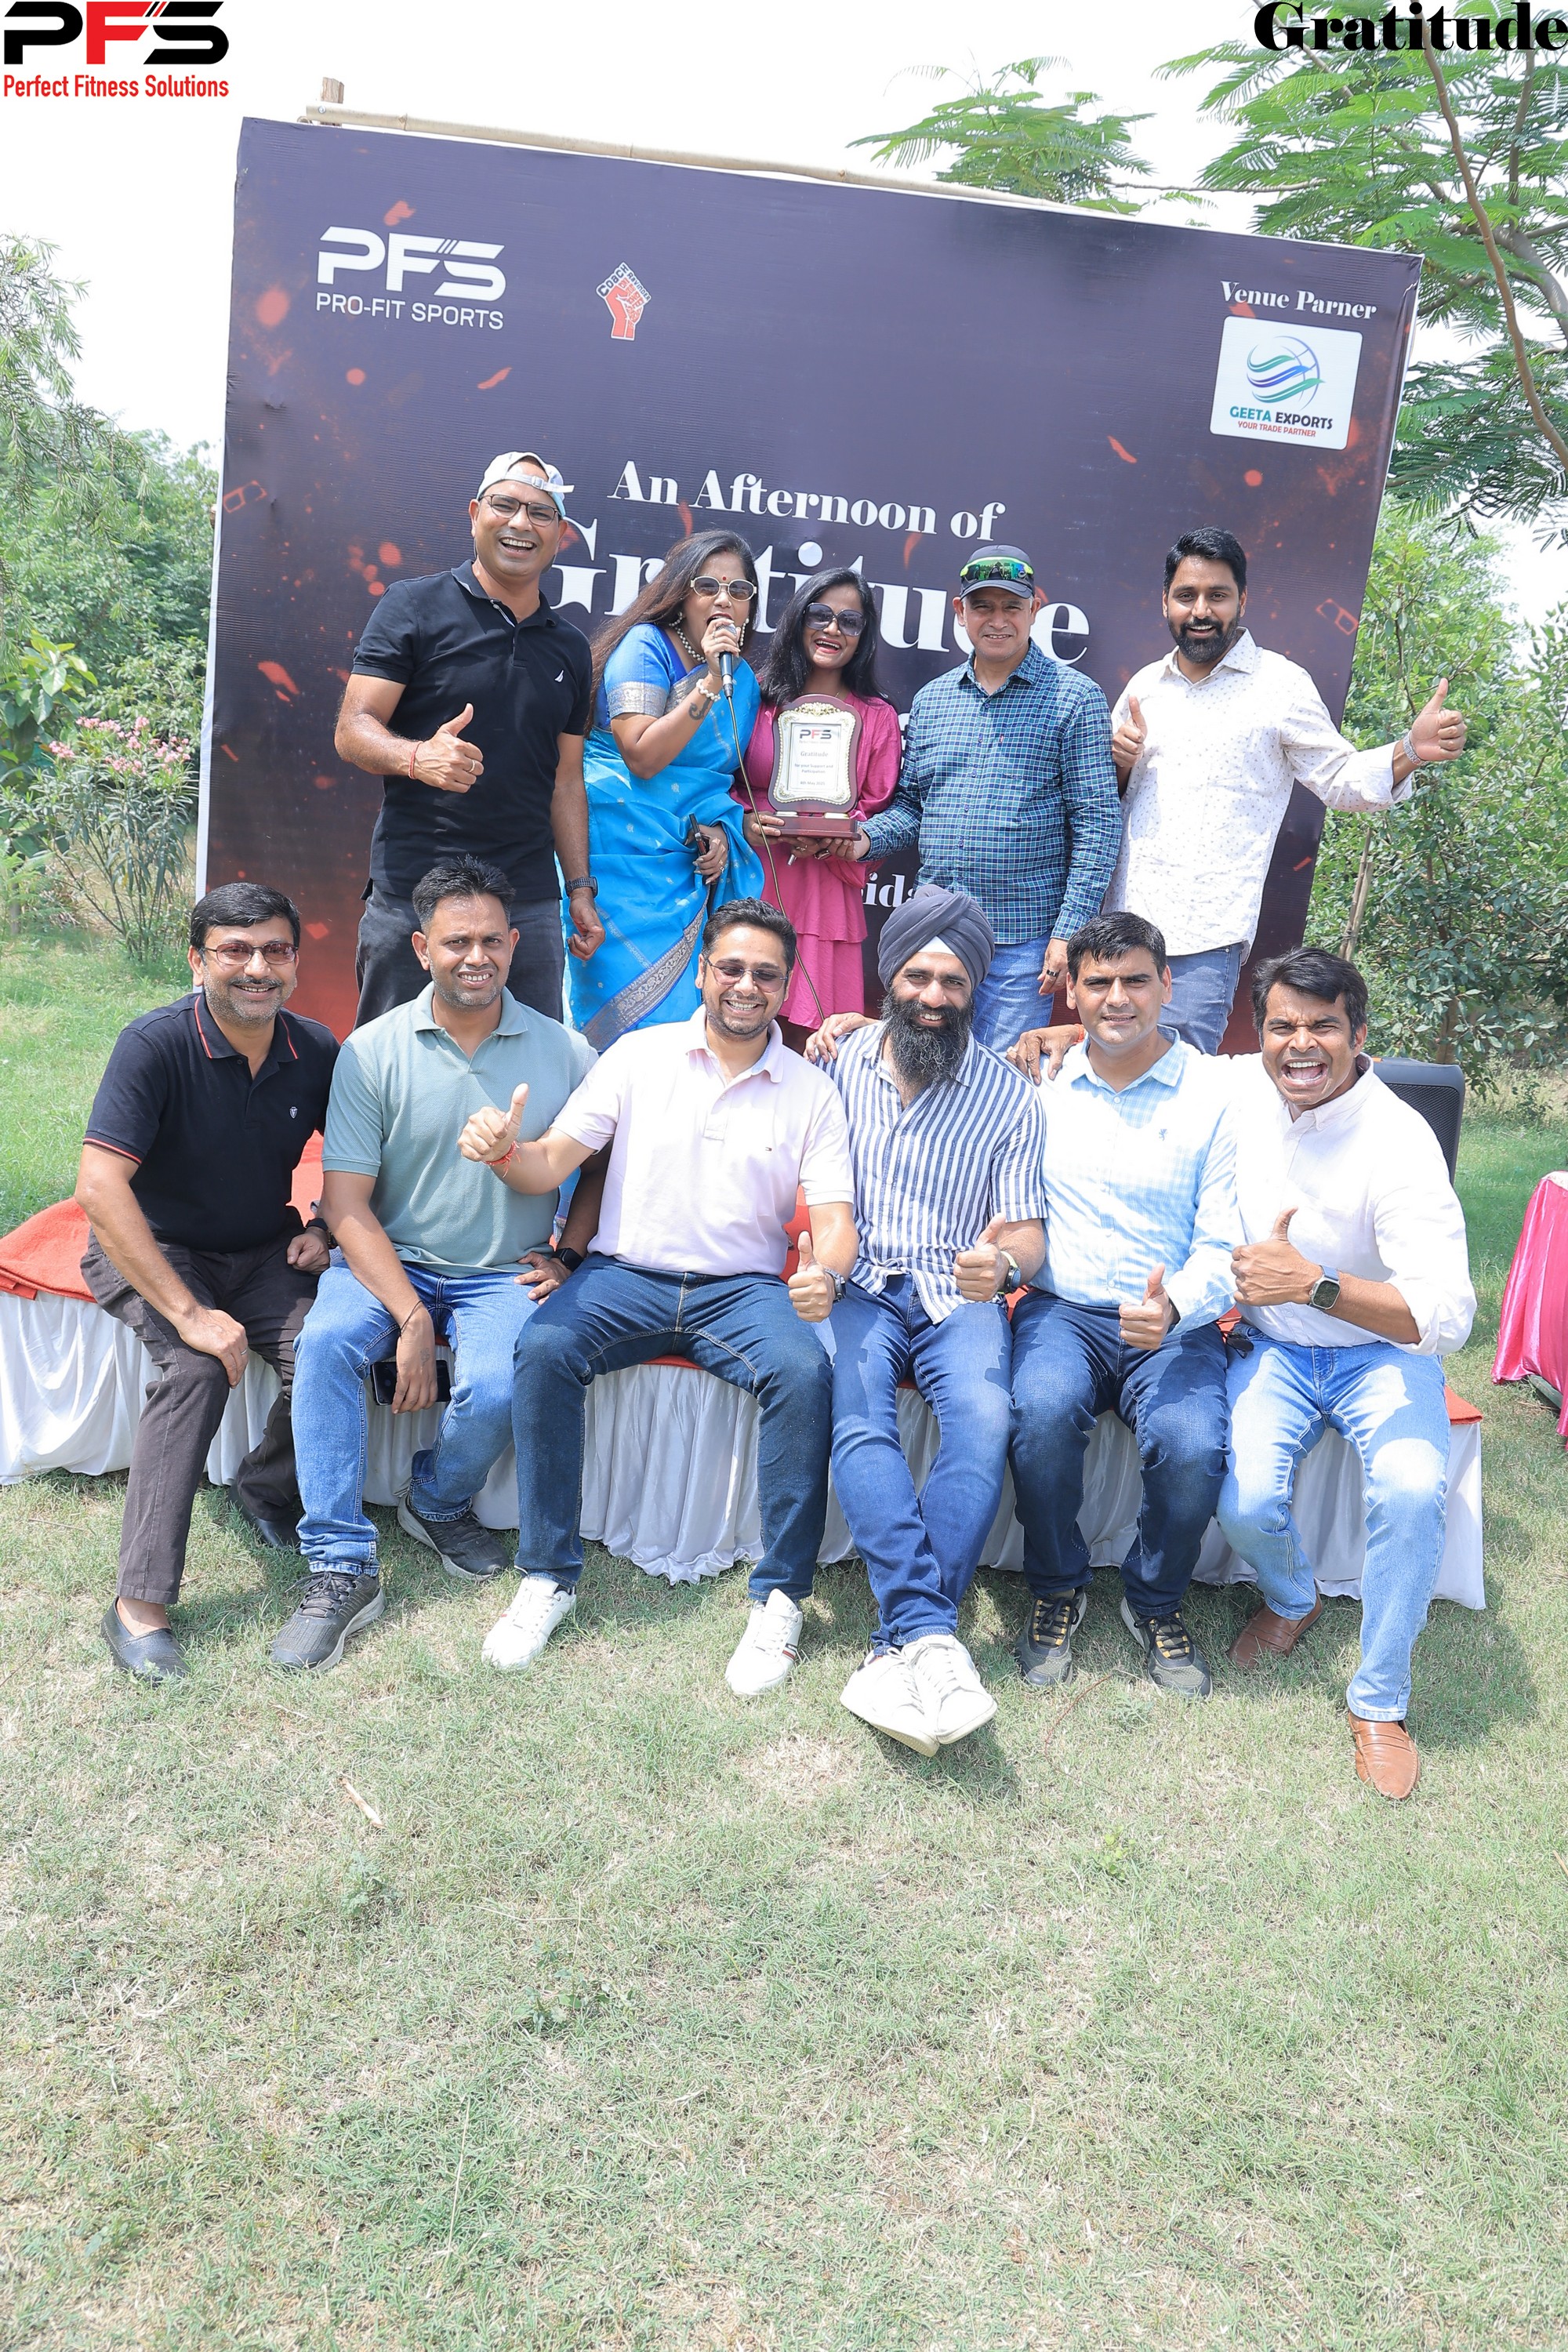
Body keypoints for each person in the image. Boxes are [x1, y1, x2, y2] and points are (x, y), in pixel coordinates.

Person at [459, 901, 856, 1679]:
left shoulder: (812, 1089)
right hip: (624, 1278)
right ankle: (546, 1576)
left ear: (785, 986)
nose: (746, 985)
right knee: (545, 1348)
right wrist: (506, 1152)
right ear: (703, 972)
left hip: (742, 1290)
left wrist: (825, 1275)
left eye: (765, 974)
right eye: (731, 968)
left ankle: (780, 1598)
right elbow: (548, 1163)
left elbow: (836, 1222)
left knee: (804, 1370)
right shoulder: (638, 1056)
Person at [274, 858, 604, 1674]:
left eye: (491, 940)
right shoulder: (371, 1051)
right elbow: (346, 1204)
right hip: (386, 1258)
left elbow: (599, 1166)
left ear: (515, 944)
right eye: (456, 942)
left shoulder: (565, 1050)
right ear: (422, 949)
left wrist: (568, 1252)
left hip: (502, 1270)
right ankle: (339, 1563)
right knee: (325, 1345)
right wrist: (412, 1316)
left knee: (498, 1384)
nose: (475, 956)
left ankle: (435, 1498)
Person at [1217, 947, 1475, 1800]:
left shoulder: (1398, 1140)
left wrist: (1316, 1285)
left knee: (1410, 1489)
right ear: (1261, 1034)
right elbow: (1152, 1053)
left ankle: (1379, 1703)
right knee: (1244, 1501)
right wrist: (1066, 1035)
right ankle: (1294, 1599)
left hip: (1380, 1356)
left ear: (1359, 1036)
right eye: (1281, 1026)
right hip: (1274, 1351)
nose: (1300, 1045)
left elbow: (1445, 1315)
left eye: (1322, 1027)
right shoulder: (1242, 1087)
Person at [75, 884, 338, 1683]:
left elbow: (361, 1157)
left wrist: (324, 1225)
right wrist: (190, 1314)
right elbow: (99, 1188)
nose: (257, 968)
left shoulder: (314, 1047)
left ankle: (265, 1489)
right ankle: (138, 1606)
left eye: (274, 950)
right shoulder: (153, 1044)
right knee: (196, 1367)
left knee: (329, 1349)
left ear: (295, 962)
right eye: (235, 950)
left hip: (263, 1248)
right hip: (154, 1248)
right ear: (198, 961)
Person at [813, 886, 1047, 1756]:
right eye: (917, 976)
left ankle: (896, 1643)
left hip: (959, 1294)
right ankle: (928, 1635)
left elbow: (1026, 1232)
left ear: (976, 987)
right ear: (889, 977)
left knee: (983, 1427)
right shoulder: (838, 1062)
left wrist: (1007, 1266)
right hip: (862, 1282)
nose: (934, 997)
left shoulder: (1009, 1097)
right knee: (857, 1418)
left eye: (953, 981)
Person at [1106, 526, 1468, 1053]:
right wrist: (1120, 765)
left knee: (1178, 1083)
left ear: (1242, 601)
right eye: (1187, 595)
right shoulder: (1144, 686)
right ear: (1165, 602)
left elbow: (1341, 780)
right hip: (1120, 933)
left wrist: (1409, 750)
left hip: (1203, 938)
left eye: (1217, 595)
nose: (1201, 610)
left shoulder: (1280, 686)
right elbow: (1106, 803)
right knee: (1114, 1072)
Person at [1007, 913, 1237, 1699]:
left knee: (1191, 1445)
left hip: (1171, 1322)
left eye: (1135, 980)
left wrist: (1175, 1305)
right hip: (1062, 1312)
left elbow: (1225, 1241)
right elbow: (940, 1045)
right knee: (1040, 1415)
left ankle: (1154, 1598)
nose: (1117, 998)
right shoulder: (1038, 1084)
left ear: (1166, 985)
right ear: (1070, 992)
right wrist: (853, 1024)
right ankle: (1056, 1586)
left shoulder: (1215, 1096)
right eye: (1097, 982)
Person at [334, 450, 605, 1028]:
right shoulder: (412, 605)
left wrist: (580, 888)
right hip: (416, 892)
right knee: (389, 1062)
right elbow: (352, 729)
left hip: (526, 902)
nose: (521, 523)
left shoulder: (571, 648)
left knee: (529, 1066)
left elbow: (566, 780)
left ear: (561, 535)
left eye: (540, 512)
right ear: (475, 514)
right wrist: (417, 757)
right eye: (505, 505)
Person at [845, 545, 1120, 1054]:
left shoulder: (1074, 697)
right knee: (921, 1067)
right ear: (960, 611)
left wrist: (1069, 931)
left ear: (1034, 609)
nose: (997, 620)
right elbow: (912, 809)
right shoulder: (933, 700)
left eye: (1011, 607)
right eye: (983, 606)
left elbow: (1097, 822)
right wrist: (862, 839)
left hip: (1022, 942)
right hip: (935, 931)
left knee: (1004, 1075)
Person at [570, 532, 767, 1049]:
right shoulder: (646, 646)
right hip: (617, 860)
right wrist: (708, 680)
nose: (724, 599)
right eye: (708, 586)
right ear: (681, 592)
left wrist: (720, 830)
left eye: (739, 590)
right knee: (603, 1011)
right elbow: (641, 756)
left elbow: (710, 784)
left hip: (684, 876)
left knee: (674, 1026)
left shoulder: (743, 680)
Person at [735, 568, 902, 1051]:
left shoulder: (877, 717)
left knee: (813, 1044)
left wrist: (836, 838)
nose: (833, 629)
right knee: (735, 1014)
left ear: (864, 635)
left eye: (850, 621)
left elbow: (877, 808)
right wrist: (741, 819)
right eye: (820, 614)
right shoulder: (753, 696)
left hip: (824, 887)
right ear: (798, 619)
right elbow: (714, 775)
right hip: (753, 871)